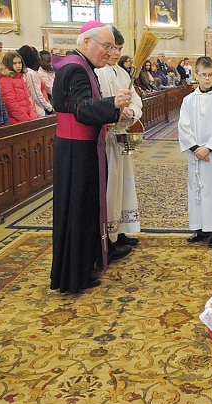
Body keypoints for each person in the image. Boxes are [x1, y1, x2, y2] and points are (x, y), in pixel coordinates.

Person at [50, 20, 134, 294]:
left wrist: (114, 109)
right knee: (79, 212)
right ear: (87, 43)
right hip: (76, 152)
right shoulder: (75, 69)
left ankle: (81, 267)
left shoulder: (80, 66)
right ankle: (76, 275)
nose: (110, 52)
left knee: (85, 211)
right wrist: (113, 104)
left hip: (80, 149)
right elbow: (82, 109)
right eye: (106, 46)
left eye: (113, 47)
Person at [95, 26, 143, 248]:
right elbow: (101, 100)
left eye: (119, 49)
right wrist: (115, 110)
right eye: (112, 48)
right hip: (106, 139)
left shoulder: (123, 73)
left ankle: (122, 230)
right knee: (110, 186)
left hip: (122, 135)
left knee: (125, 183)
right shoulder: (98, 71)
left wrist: (131, 111)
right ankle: (110, 236)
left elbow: (135, 99)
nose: (115, 53)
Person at [178, 56, 212, 249]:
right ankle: (200, 228)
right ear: (196, 75)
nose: (207, 79)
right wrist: (195, 149)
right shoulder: (188, 100)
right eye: (203, 75)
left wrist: (207, 148)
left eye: (210, 75)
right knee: (197, 189)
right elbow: (183, 126)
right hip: (196, 155)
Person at [0, 51, 37, 124]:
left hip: (26, 119)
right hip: (15, 121)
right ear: (8, 64)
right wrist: (26, 120)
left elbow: (27, 100)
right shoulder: (5, 80)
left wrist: (32, 116)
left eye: (20, 63)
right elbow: (11, 104)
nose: (18, 66)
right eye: (14, 63)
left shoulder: (18, 77)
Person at [18, 45, 54, 117]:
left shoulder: (33, 72)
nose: (39, 58)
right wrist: (50, 108)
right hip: (37, 110)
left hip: (41, 107)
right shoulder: (30, 73)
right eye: (38, 56)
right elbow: (37, 96)